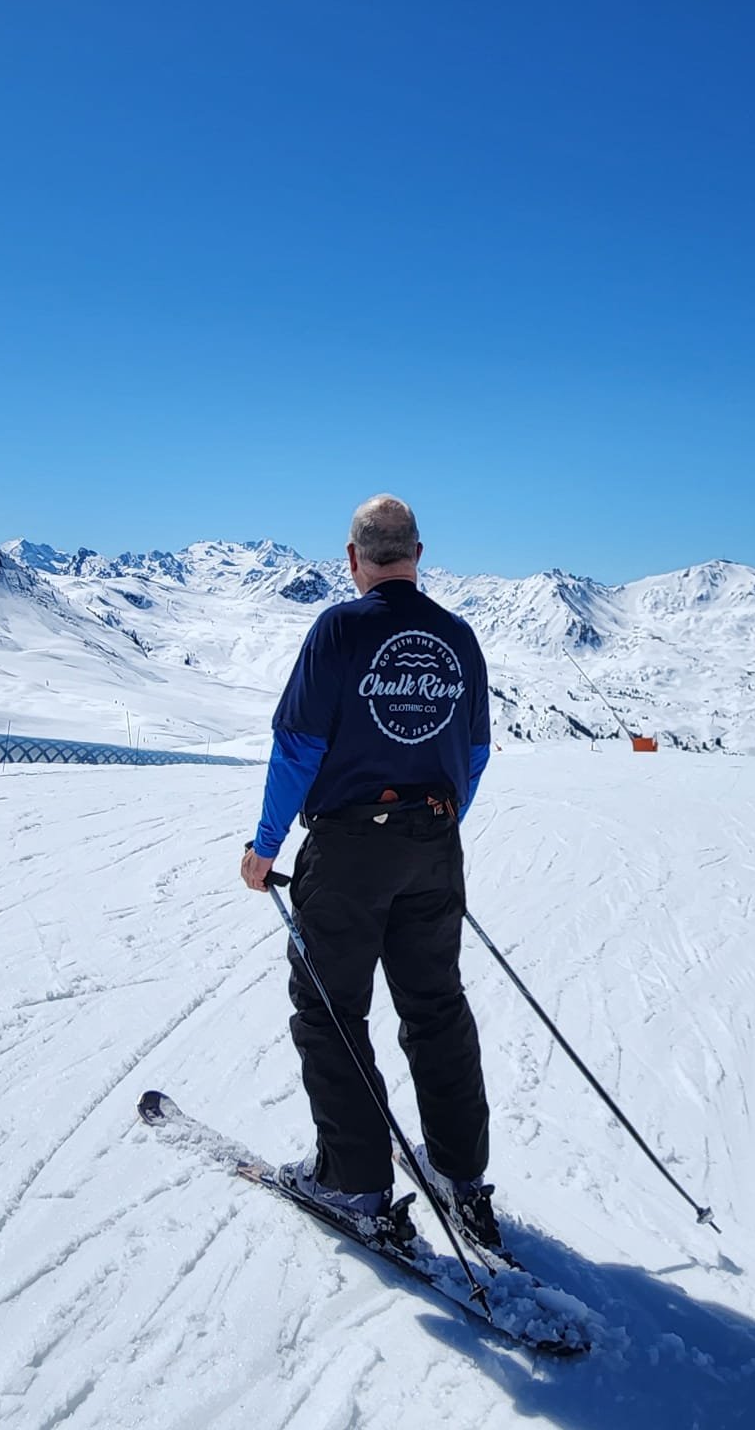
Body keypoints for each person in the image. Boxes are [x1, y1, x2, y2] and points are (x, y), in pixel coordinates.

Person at [240, 495, 497, 1248]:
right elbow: (475, 757)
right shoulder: (458, 638)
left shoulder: (339, 630)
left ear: (353, 559)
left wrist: (264, 848)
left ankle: (354, 1181)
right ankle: (462, 1178)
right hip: (434, 846)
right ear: (418, 554)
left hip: (349, 850)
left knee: (329, 1007)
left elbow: (297, 746)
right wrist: (435, 833)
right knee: (437, 1007)